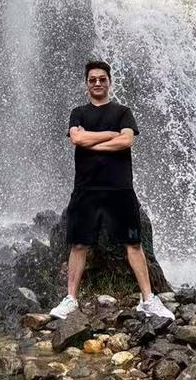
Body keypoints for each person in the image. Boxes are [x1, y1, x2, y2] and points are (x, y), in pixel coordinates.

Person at [49, 60, 174, 321]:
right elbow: (77, 138)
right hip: (86, 188)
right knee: (79, 243)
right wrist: (110, 135)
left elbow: (126, 140)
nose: (97, 83)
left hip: (120, 188)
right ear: (86, 84)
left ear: (109, 82)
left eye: (102, 79)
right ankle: (70, 299)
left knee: (134, 243)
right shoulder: (78, 113)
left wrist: (91, 142)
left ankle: (148, 299)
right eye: (92, 79)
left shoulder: (123, 112)